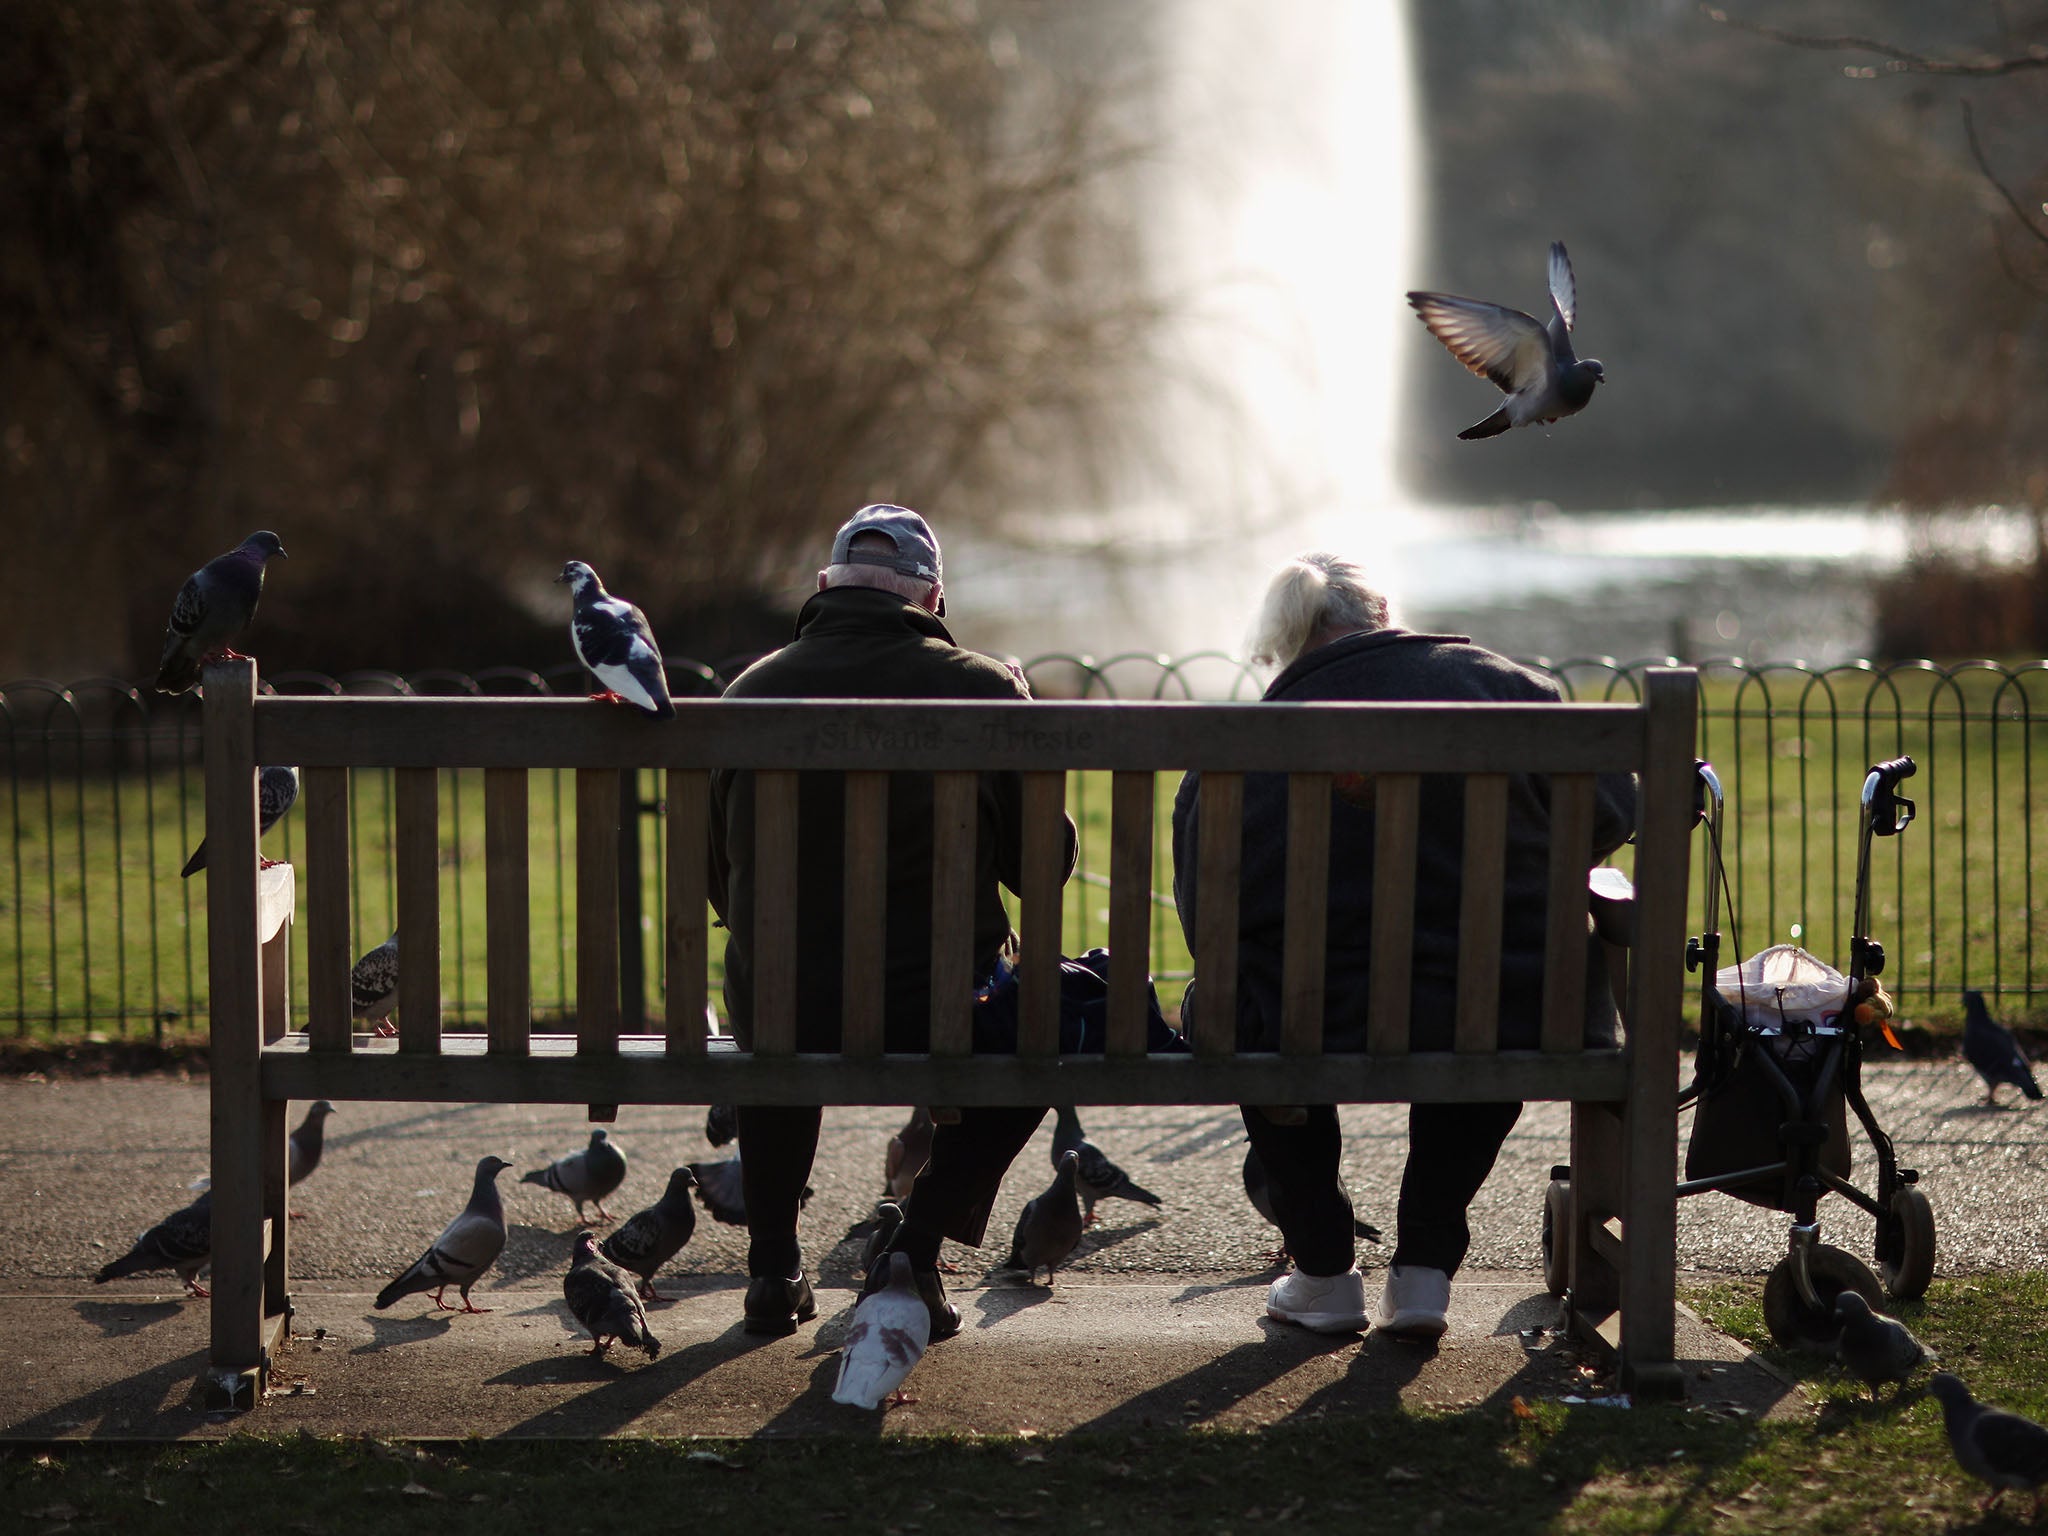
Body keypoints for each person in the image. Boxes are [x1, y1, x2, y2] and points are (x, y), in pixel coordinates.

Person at [1171, 551, 1636, 1338]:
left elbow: (1200, 898)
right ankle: (1422, 1269)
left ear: (1291, 638)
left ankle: (1321, 1271)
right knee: (1488, 995)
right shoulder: (1510, 689)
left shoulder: (1243, 736)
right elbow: (1613, 813)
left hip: (1305, 1019)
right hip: (1500, 1012)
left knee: (1242, 1003)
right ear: (1383, 617)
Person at [708, 504, 1077, 1336]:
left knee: (778, 995)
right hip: (939, 1007)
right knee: (1046, 1025)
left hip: (782, 1006)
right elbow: (1040, 871)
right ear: (933, 601)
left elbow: (720, 889)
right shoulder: (984, 689)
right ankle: (911, 1249)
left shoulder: (750, 690)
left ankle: (773, 1267)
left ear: (823, 589)